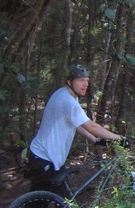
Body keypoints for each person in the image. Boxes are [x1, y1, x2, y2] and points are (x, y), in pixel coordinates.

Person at [26, 64, 126, 196]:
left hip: (48, 157)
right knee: (39, 204)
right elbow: (91, 126)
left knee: (62, 202)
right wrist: (120, 138)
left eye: (87, 80)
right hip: (44, 157)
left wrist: (94, 140)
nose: (85, 84)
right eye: (81, 80)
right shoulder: (67, 101)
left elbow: (76, 123)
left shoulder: (65, 94)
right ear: (69, 81)